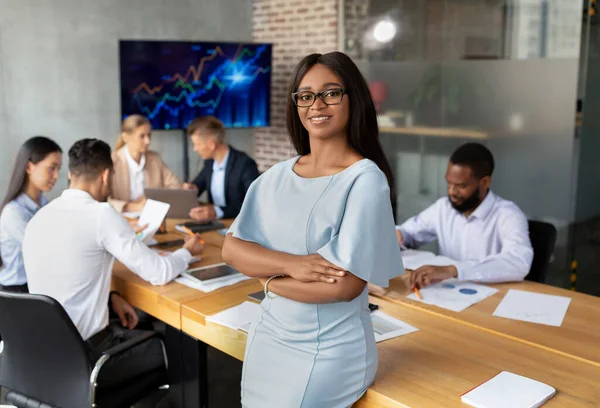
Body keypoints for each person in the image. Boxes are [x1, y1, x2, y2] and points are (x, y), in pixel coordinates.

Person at [222, 52, 403, 407]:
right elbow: (231, 250)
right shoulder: (275, 176)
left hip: (328, 352)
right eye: (305, 96)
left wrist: (268, 278)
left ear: (354, 99)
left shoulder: (365, 180)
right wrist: (293, 264)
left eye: (330, 93)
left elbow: (346, 286)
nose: (316, 104)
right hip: (268, 339)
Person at [22, 138, 204, 387]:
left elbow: (69, 275)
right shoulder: (101, 214)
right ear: (106, 175)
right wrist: (186, 251)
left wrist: (113, 295)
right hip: (91, 359)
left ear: (71, 173)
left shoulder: (39, 217)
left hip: (42, 356)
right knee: (174, 350)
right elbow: (159, 272)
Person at [396, 142, 533, 289]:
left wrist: (453, 270)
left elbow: (518, 261)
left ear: (485, 182)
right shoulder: (444, 208)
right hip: (447, 294)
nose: (452, 192)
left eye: (461, 186)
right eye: (449, 183)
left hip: (491, 297)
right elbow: (408, 232)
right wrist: (399, 235)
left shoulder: (508, 215)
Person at [0, 136, 62, 293]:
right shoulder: (13, 213)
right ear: (29, 167)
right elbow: (45, 250)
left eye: (58, 169)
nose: (56, 176)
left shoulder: (44, 203)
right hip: (17, 294)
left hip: (38, 286)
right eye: (52, 168)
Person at [183, 116, 259, 221]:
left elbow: (253, 204)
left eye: (196, 144)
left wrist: (216, 212)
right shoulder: (209, 162)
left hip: (238, 225)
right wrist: (191, 189)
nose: (194, 149)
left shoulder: (245, 164)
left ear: (211, 144)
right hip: (215, 225)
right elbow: (198, 185)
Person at [110, 114, 182, 213]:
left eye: (149, 135)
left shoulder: (155, 159)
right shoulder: (112, 161)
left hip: (151, 216)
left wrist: (149, 197)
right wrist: (131, 207)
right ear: (126, 137)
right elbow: (103, 200)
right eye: (142, 136)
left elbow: (175, 185)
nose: (148, 141)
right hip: (122, 218)